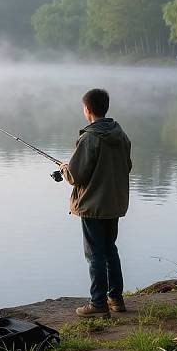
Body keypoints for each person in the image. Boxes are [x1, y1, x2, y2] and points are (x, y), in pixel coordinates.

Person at [59, 89, 132, 317]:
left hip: (93, 206)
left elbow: (76, 176)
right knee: (110, 249)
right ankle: (116, 299)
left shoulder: (89, 138)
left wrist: (64, 169)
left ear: (87, 110)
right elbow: (127, 166)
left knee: (94, 254)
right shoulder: (120, 135)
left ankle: (97, 303)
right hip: (115, 203)